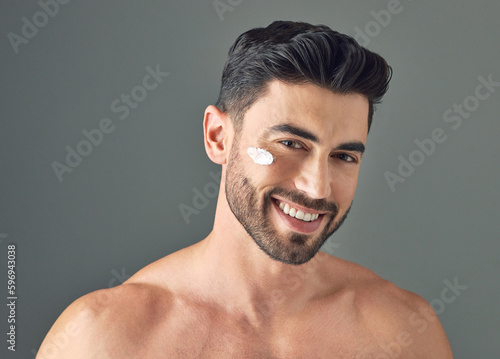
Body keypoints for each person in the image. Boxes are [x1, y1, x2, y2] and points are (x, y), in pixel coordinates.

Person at [38, 21, 453, 358]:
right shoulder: (103, 339)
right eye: (291, 144)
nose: (317, 186)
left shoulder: (402, 332)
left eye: (343, 156)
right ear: (218, 136)